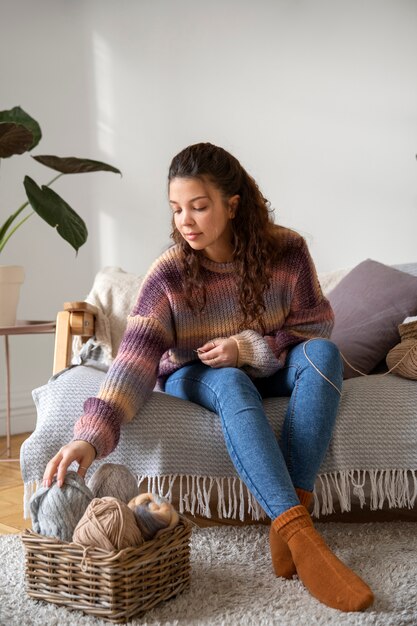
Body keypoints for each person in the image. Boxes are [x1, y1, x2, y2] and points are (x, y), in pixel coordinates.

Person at [43, 142, 373, 612]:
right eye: (176, 209)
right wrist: (90, 437)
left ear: (232, 205)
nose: (185, 221)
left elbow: (314, 325)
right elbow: (133, 362)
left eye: (198, 207)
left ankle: (290, 519)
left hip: (271, 365)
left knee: (323, 354)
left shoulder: (287, 250)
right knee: (232, 382)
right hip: (195, 375)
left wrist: (248, 347)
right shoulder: (170, 275)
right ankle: (303, 536)